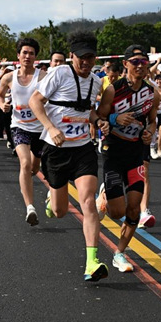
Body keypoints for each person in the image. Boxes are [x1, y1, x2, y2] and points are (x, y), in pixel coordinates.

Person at [29, 30, 110, 282]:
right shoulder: (59, 73)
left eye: (91, 58)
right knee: (60, 210)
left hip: (83, 148)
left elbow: (89, 112)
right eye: (81, 58)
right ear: (72, 56)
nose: (86, 63)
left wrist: (100, 121)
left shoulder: (96, 81)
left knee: (88, 203)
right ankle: (51, 202)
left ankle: (92, 262)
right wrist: (51, 128)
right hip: (56, 150)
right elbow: (35, 101)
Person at [96, 44, 158, 272]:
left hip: (135, 153)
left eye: (144, 62)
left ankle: (119, 252)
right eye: (135, 62)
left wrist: (150, 132)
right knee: (117, 212)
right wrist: (114, 119)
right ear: (125, 64)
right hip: (113, 151)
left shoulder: (151, 93)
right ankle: (104, 194)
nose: (140, 66)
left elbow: (153, 120)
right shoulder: (113, 90)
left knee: (134, 209)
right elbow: (99, 117)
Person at [0, 38, 47, 224]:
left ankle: (31, 179)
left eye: (31, 53)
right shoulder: (9, 77)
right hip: (19, 126)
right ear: (18, 56)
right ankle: (30, 207)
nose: (27, 56)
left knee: (34, 168)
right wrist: (3, 106)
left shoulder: (42, 77)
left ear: (35, 56)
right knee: (25, 164)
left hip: (40, 129)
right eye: (24, 52)